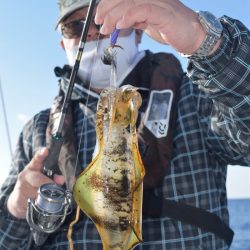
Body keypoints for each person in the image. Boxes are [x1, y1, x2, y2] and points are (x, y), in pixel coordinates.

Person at [0, 0, 250, 249]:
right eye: (74, 27)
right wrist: (15, 209)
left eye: (103, 20)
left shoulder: (198, 97)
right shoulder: (36, 130)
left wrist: (205, 40)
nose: (91, 32)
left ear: (139, 29)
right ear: (63, 43)